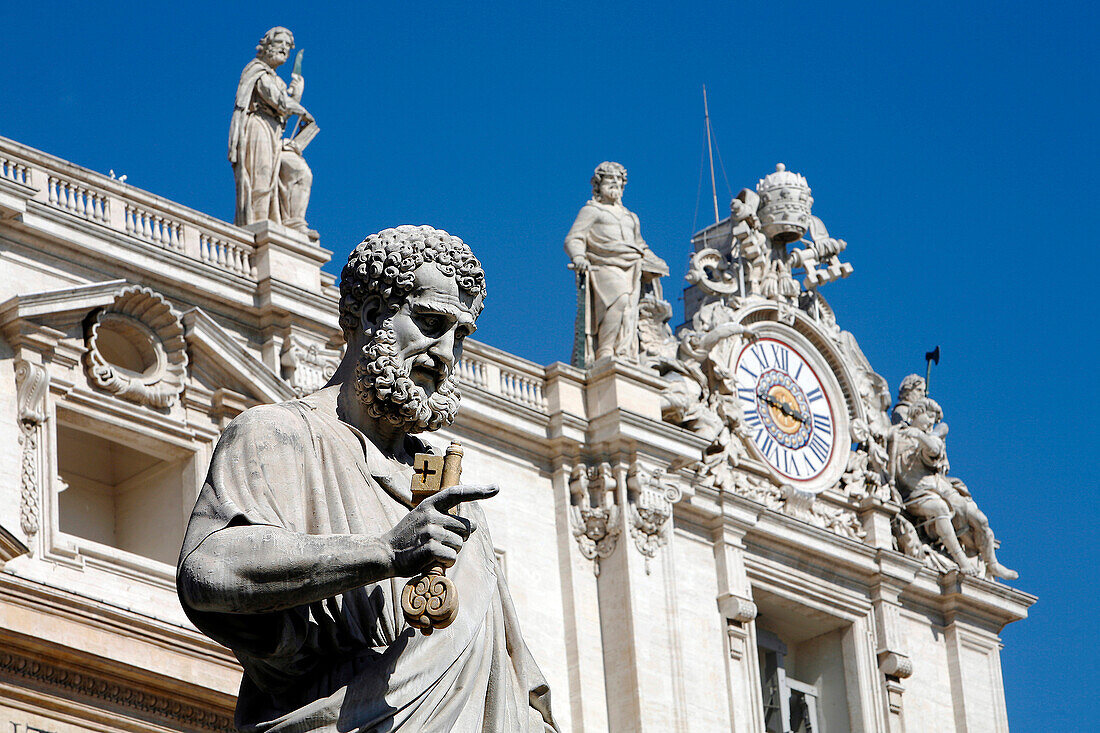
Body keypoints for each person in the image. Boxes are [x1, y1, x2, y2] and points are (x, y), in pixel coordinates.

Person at [177, 226, 557, 731]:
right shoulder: (279, 435)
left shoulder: (454, 500)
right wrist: (384, 554)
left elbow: (507, 687)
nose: (444, 353)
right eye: (429, 322)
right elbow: (208, 571)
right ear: (374, 315)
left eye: (459, 335)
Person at [890, 399, 1017, 580]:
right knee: (940, 508)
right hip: (915, 494)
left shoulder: (930, 438)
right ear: (917, 412)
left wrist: (920, 435)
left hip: (939, 487)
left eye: (934, 420)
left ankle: (992, 563)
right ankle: (962, 560)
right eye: (929, 417)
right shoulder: (897, 434)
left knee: (980, 519)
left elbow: (934, 449)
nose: (931, 423)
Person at [564, 161, 668, 362]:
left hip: (632, 267)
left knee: (629, 310)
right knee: (618, 300)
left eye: (618, 180)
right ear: (598, 185)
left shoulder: (631, 217)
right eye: (609, 179)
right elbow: (574, 238)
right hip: (604, 264)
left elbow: (640, 245)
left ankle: (622, 351)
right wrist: (578, 256)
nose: (615, 183)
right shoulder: (592, 211)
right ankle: (605, 350)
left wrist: (656, 262)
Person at [229, 27, 315, 233]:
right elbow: (274, 98)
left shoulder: (278, 80)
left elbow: (283, 107)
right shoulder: (256, 70)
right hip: (258, 127)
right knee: (261, 174)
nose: (285, 49)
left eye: (288, 46)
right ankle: (258, 224)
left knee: (298, 171)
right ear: (267, 46)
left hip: (275, 132)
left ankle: (292, 222)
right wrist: (298, 107)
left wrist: (296, 95)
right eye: (280, 43)